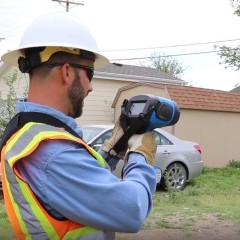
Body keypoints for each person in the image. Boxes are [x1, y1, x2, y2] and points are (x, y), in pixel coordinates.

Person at [0, 12, 157, 240]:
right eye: (89, 73)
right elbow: (131, 210)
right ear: (66, 71)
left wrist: (110, 151)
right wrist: (141, 157)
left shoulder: (29, 133)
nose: (90, 87)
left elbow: (77, 184)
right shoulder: (52, 153)